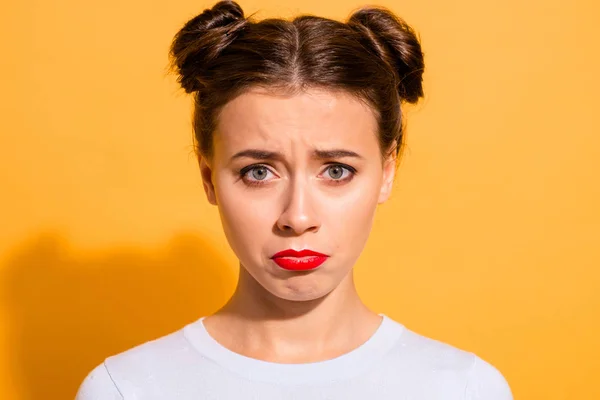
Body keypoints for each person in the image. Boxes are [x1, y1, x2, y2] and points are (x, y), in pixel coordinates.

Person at [75, 1, 513, 398]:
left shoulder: (465, 389)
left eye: (337, 171)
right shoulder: (125, 390)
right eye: (258, 172)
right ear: (209, 178)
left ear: (387, 172)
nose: (297, 217)